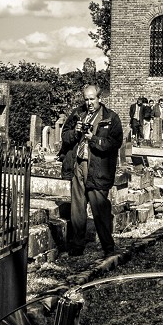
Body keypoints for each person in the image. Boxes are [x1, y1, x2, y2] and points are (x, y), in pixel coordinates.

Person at [62, 83, 124, 259]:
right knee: (77, 209)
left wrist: (94, 139)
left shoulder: (111, 118)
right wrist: (75, 132)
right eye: (86, 99)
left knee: (100, 209)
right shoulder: (77, 114)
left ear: (99, 98)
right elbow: (65, 137)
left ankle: (108, 247)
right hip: (79, 165)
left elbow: (114, 143)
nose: (89, 103)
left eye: (92, 99)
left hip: (97, 167)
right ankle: (77, 247)